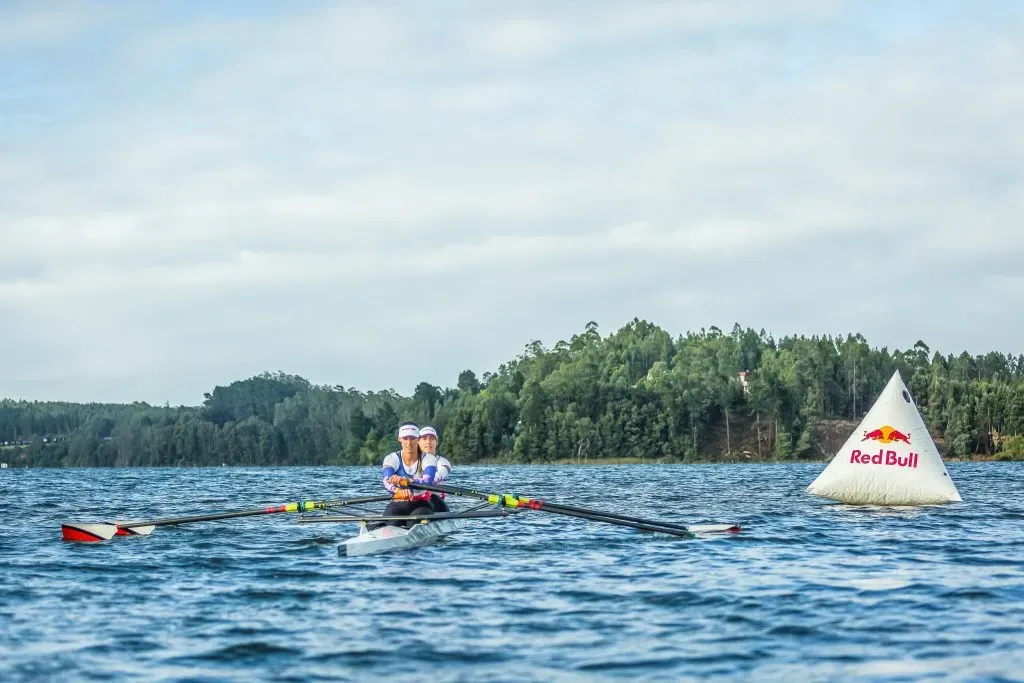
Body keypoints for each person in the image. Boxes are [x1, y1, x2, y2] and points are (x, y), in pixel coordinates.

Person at [372, 422, 445, 529]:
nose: (409, 442)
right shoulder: (391, 458)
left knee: (412, 525)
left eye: (412, 438)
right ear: (399, 439)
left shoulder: (429, 459)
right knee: (390, 525)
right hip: (399, 503)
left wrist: (404, 481)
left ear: (418, 439)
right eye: (405, 438)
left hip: (422, 504)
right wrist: (398, 491)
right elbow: (387, 480)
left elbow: (427, 481)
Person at [418, 425, 451, 513]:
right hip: (415, 501)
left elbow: (439, 474)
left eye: (432, 438)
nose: (428, 442)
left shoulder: (443, 462)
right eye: (424, 439)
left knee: (433, 497)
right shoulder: (411, 462)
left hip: (436, 504)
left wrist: (415, 482)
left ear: (436, 442)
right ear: (418, 442)